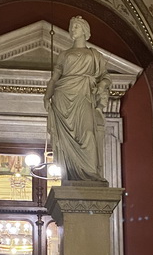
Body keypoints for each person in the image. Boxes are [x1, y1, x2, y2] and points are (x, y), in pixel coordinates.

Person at [44, 16, 111, 183]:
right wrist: (47, 96)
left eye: (76, 27)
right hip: (63, 97)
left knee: (88, 133)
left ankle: (90, 174)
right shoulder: (64, 54)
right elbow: (54, 78)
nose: (73, 29)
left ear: (84, 31)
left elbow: (106, 77)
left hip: (84, 95)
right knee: (66, 139)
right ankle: (71, 175)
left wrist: (102, 86)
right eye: (71, 26)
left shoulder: (95, 55)